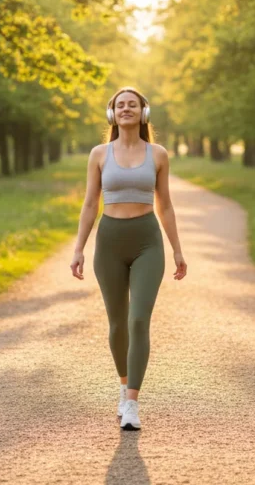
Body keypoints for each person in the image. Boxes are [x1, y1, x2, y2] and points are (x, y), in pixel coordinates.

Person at [70, 86, 188, 431]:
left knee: (138, 320)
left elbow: (165, 204)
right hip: (109, 243)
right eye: (120, 105)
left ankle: (133, 403)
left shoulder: (159, 154)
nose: (126, 109)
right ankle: (123, 388)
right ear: (112, 113)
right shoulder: (99, 154)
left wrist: (177, 249)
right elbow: (91, 203)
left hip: (147, 242)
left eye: (132, 105)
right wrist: (78, 248)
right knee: (117, 324)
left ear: (143, 113)